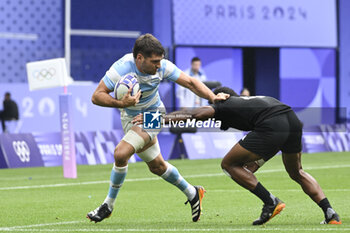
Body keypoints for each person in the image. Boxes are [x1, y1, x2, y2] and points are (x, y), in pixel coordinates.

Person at [133, 86, 342, 225]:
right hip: (292, 121)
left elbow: (194, 115)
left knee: (228, 164)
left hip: (271, 125)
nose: (217, 124)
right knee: (297, 172)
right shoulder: (249, 102)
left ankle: (270, 202)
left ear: (221, 98)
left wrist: (155, 120)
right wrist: (252, 167)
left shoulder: (223, 104)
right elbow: (255, 160)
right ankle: (330, 213)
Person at [87, 34, 228, 223]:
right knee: (157, 166)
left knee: (121, 154)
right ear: (139, 58)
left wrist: (212, 97)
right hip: (129, 118)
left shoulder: (163, 67)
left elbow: (190, 82)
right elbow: (96, 96)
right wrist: (121, 103)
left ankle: (108, 206)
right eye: (154, 62)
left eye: (160, 61)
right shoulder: (120, 69)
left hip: (154, 116)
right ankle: (193, 192)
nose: (159, 66)